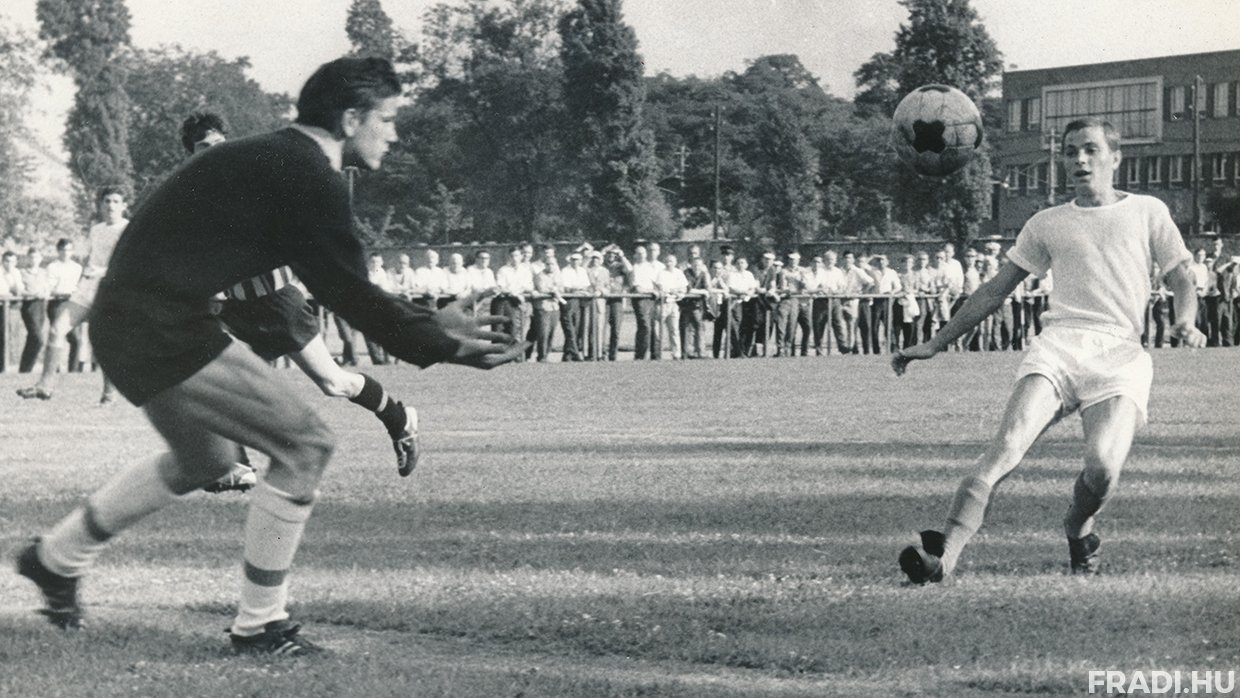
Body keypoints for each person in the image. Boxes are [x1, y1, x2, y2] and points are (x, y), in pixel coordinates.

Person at [14, 58, 522, 651]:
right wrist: (438, 340)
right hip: (157, 324)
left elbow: (339, 282)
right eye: (387, 119)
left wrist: (429, 328)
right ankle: (260, 626)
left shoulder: (276, 158)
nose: (395, 133)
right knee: (305, 444)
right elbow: (344, 289)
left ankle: (54, 559)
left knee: (205, 461)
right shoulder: (308, 173)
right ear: (350, 118)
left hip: (135, 319)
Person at [893, 117, 1206, 585]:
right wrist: (935, 343)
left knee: (1102, 468)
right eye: (1071, 151)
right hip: (1058, 348)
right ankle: (944, 556)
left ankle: (1078, 529)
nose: (1080, 159)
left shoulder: (1148, 211)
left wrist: (1186, 320)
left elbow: (1181, 277)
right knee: (1005, 448)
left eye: (1091, 149)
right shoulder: (1047, 223)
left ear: (1116, 158)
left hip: (1120, 356)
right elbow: (995, 290)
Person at [186, 110, 423, 483]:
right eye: (203, 147)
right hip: (234, 308)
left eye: (216, 144)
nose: (211, 152)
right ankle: (238, 465)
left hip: (276, 302)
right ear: (190, 154)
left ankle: (398, 418)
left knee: (334, 383)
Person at [18, 188, 127, 403]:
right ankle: (45, 386)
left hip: (111, 290)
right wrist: (82, 276)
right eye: (107, 201)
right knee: (57, 329)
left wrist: (105, 273)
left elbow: (129, 264)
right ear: (100, 205)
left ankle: (108, 395)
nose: (111, 206)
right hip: (87, 288)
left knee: (106, 343)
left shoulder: (128, 229)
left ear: (124, 206)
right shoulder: (96, 230)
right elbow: (89, 259)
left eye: (116, 201)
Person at [494, 246, 533, 362]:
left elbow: (529, 286)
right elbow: (501, 286)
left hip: (519, 302)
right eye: (512, 256)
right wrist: (514, 292)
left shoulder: (525, 270)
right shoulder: (503, 270)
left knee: (517, 329)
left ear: (521, 256)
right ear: (509, 257)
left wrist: (518, 291)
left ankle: (514, 356)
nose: (514, 258)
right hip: (504, 301)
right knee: (501, 329)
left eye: (516, 255)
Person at [19, 246, 51, 373]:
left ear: (40, 258)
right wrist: (32, 294)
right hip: (29, 306)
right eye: (31, 257)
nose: (34, 259)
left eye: (36, 257)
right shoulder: (22, 272)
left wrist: (45, 293)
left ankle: (24, 370)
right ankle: (26, 368)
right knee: (38, 338)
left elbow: (48, 287)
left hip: (41, 305)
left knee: (32, 338)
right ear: (28, 258)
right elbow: (19, 290)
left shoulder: (43, 272)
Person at [654, 253, 688, 359]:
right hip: (663, 304)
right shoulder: (661, 273)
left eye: (671, 261)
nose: (669, 263)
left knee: (674, 330)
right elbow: (661, 287)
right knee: (659, 330)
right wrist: (672, 290)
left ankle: (676, 354)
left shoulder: (679, 273)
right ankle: (658, 353)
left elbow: (683, 288)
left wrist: (676, 291)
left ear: (675, 262)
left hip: (674, 304)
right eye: (667, 261)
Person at [630, 245, 659, 360]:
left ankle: (655, 355)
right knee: (644, 326)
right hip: (640, 299)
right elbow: (638, 288)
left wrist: (657, 290)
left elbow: (656, 282)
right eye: (639, 253)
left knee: (652, 326)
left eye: (643, 253)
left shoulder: (650, 267)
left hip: (651, 299)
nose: (641, 255)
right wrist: (651, 291)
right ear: (635, 255)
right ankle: (640, 355)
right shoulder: (635, 268)